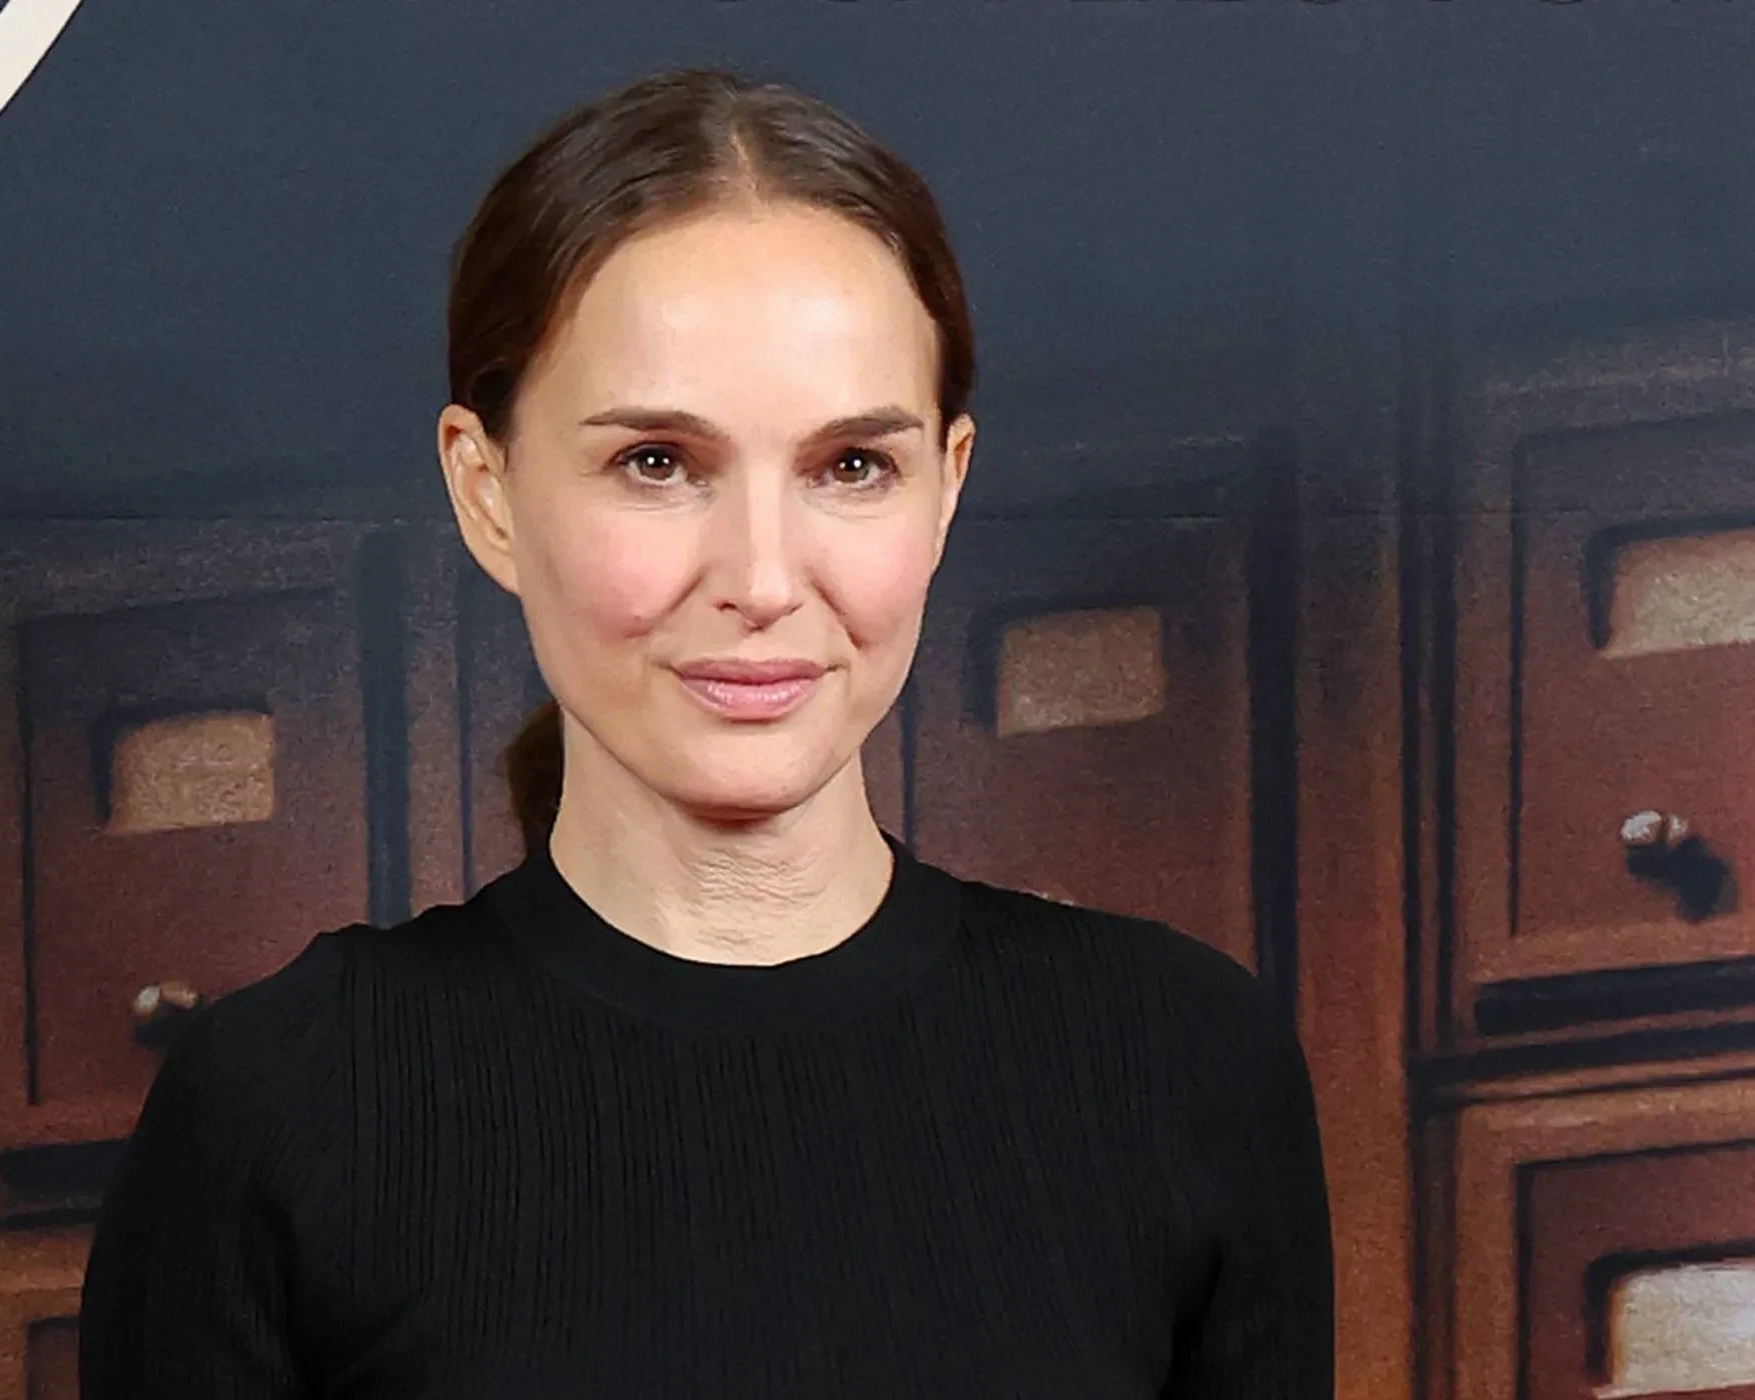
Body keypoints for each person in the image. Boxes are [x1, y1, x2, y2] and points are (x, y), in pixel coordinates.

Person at [78, 66, 1334, 1397]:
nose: (763, 578)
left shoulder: (1182, 1065)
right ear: (487, 491)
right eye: (658, 464)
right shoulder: (277, 1109)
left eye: (852, 467)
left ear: (946, 489)